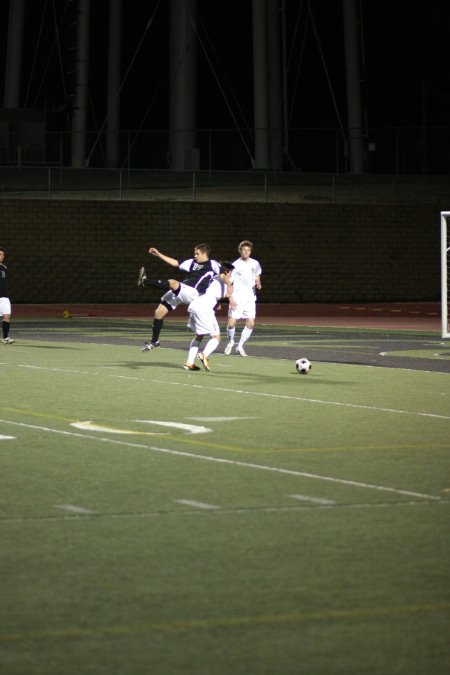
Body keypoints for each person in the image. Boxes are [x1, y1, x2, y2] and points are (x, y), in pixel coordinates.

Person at [137, 243, 227, 351]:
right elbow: (175, 263)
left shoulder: (212, 264)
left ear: (204, 253)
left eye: (197, 253)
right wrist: (158, 254)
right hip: (183, 289)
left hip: (194, 293)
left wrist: (229, 287)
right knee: (159, 312)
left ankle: (145, 281)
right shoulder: (192, 262)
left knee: (173, 282)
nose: (195, 255)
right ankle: (155, 341)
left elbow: (223, 275)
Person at [183, 261, 234, 372]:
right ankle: (204, 355)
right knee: (216, 337)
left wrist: (217, 303)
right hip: (204, 309)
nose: (231, 276)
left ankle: (189, 363)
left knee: (199, 335)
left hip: (195, 305)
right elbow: (224, 277)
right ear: (226, 272)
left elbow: (212, 293)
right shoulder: (222, 277)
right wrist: (230, 286)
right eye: (230, 273)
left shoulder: (213, 279)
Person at [224, 240, 262, 357]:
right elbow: (228, 282)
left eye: (248, 250)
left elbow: (257, 274)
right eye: (244, 250)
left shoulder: (255, 263)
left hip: (250, 298)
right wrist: (230, 297)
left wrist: (258, 281)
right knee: (231, 323)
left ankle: (240, 346)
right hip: (237, 298)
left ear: (250, 252)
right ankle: (231, 342)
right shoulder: (235, 265)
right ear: (240, 251)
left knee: (250, 323)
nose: (246, 252)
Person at [0, 247, 14, 344]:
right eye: (0, 254)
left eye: (3, 254)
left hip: (4, 296)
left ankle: (5, 337)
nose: (2, 256)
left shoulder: (4, 267)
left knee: (7, 316)